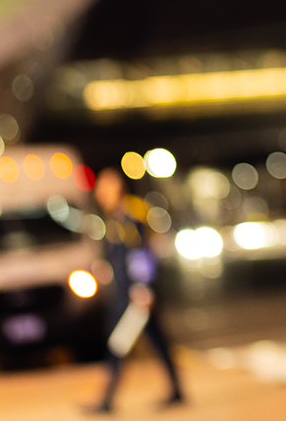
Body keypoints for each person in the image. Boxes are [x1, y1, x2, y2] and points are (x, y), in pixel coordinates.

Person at [90, 168, 184, 413]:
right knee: (156, 340)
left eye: (104, 187)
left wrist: (144, 289)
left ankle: (107, 401)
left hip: (135, 296)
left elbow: (142, 253)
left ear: (118, 187)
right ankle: (176, 390)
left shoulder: (131, 213)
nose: (100, 193)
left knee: (118, 343)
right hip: (131, 293)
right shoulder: (115, 217)